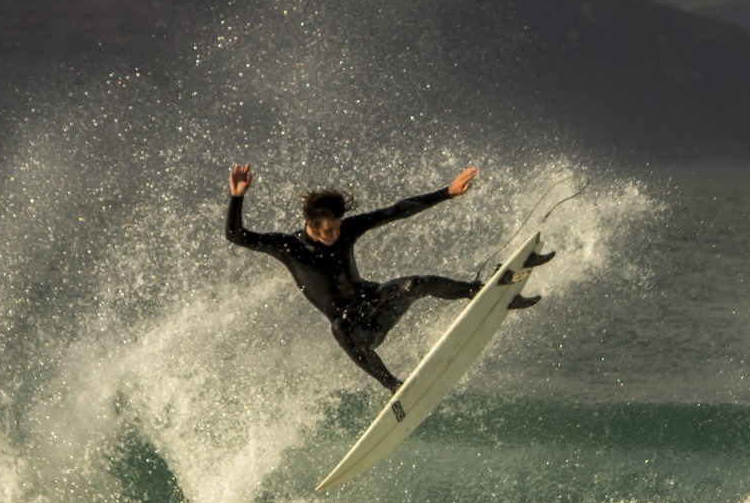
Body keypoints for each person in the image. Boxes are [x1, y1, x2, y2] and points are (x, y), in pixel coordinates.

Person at [224, 162, 546, 392]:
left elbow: (395, 211)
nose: (336, 235)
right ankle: (394, 386)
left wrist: (446, 193)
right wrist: (237, 197)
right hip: (357, 330)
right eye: (328, 231)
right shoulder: (289, 247)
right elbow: (236, 235)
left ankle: (486, 292)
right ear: (311, 222)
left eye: (338, 227)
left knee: (416, 284)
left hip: (375, 303)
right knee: (338, 328)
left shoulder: (345, 230)